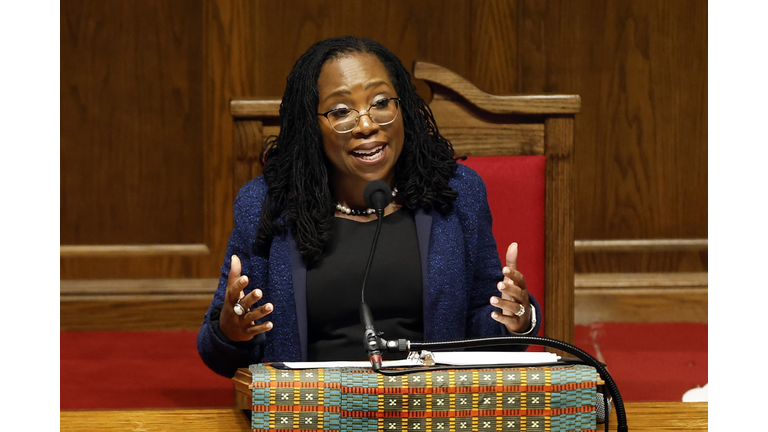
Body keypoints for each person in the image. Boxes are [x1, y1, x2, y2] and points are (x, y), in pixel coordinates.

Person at [197, 36, 541, 378]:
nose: (366, 124)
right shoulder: (267, 203)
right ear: (310, 125)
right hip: (314, 413)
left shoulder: (455, 194)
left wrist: (517, 318)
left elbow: (482, 330)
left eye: (380, 102)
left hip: (429, 410)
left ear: (402, 105)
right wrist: (232, 331)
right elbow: (220, 353)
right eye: (341, 111)